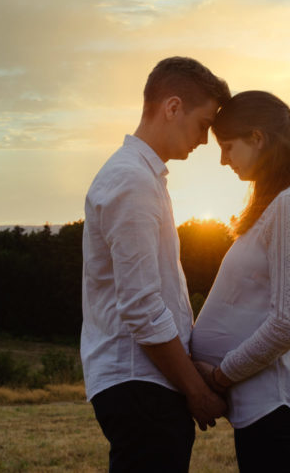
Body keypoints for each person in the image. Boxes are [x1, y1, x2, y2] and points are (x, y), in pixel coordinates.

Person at [81, 57, 231, 473]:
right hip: (140, 385)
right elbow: (142, 308)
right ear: (172, 107)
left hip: (144, 383)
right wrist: (194, 391)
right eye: (204, 124)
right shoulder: (132, 181)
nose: (205, 141)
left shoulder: (143, 179)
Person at [191, 90, 290, 473]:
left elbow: (288, 322)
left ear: (257, 138)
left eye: (228, 147)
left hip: (276, 403)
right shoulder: (280, 205)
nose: (223, 160)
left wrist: (220, 376)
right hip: (262, 405)